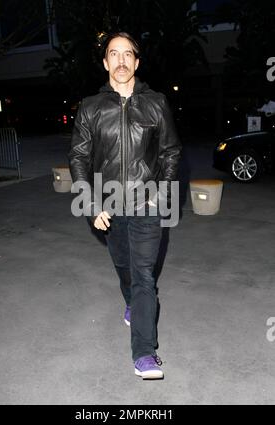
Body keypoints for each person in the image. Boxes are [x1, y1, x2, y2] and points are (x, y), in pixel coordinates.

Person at [69, 32, 181, 379]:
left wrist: (161, 196)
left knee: (145, 276)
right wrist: (90, 203)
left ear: (136, 62)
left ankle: (144, 353)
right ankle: (130, 301)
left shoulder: (156, 103)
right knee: (125, 268)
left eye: (127, 54)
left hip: (148, 203)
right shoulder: (90, 107)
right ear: (105, 63)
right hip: (108, 205)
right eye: (113, 54)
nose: (120, 61)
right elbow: (79, 158)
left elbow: (170, 153)